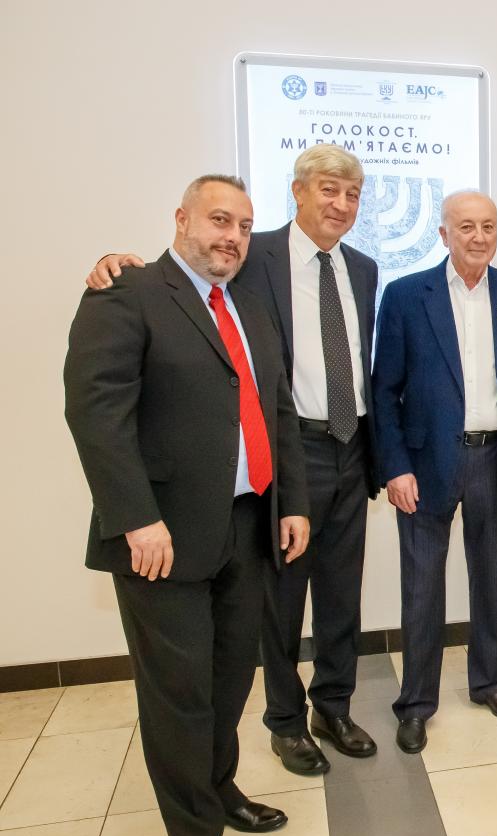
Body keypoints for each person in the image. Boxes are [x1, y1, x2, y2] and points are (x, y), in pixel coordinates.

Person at [85, 145, 381, 776]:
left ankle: (334, 706)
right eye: (328, 189)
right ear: (297, 192)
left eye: (352, 194)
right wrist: (114, 262)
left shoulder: (364, 268)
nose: (340, 204)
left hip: (351, 446)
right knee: (279, 602)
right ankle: (286, 722)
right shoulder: (251, 256)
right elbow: (183, 289)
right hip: (284, 450)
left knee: (341, 593)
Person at [64, 175, 310, 836]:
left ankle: (219, 788)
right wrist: (135, 517)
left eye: (244, 226)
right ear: (182, 220)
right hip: (162, 536)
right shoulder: (128, 292)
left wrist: (291, 503)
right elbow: (95, 413)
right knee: (179, 693)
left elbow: (277, 410)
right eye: (219, 220)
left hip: (247, 523)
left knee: (230, 677)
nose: (232, 237)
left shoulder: (250, 306)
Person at [372, 191, 497, 754]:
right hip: (425, 465)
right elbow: (384, 391)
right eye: (467, 226)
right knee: (422, 587)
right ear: (443, 234)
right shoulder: (406, 296)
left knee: (489, 579)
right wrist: (395, 466)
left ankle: (490, 683)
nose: (479, 237)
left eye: (488, 226)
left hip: (496, 459)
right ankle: (415, 704)